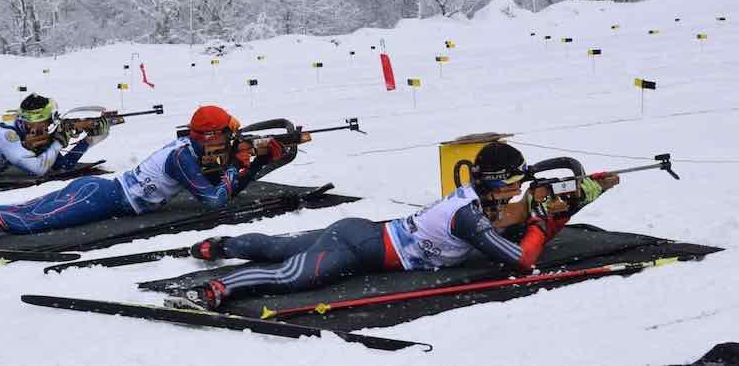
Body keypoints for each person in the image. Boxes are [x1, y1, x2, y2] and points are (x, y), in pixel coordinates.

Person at [173, 141, 620, 311]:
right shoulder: (468, 215)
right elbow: (523, 260)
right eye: (518, 183)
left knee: (277, 246)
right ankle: (217, 289)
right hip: (359, 246)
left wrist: (574, 199)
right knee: (293, 274)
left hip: (365, 234)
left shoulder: (481, 202)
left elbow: (520, 222)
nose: (523, 190)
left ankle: (221, 244)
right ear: (500, 183)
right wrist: (546, 217)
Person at [0, 104, 291, 244]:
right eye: (226, 136)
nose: (230, 141)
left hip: (101, 192)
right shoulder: (183, 159)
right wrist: (250, 164)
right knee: (27, 222)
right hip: (103, 197)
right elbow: (213, 200)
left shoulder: (191, 150)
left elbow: (216, 179)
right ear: (212, 136)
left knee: (25, 211)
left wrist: (252, 160)